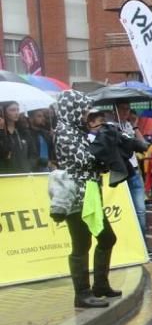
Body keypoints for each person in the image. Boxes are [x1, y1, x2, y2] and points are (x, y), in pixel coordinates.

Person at [50, 92, 118, 308]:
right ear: (71, 109)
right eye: (81, 110)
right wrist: (105, 148)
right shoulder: (64, 132)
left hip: (89, 194)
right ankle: (81, 294)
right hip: (74, 196)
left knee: (107, 238)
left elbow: (96, 160)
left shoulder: (79, 131)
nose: (84, 115)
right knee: (81, 244)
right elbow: (86, 159)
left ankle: (100, 285)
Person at [111, 100, 150, 239]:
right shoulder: (111, 127)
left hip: (135, 172)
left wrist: (134, 126)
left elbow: (144, 145)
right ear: (115, 110)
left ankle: (143, 244)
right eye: (123, 109)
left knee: (140, 210)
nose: (126, 112)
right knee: (124, 210)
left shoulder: (128, 125)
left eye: (128, 109)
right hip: (121, 173)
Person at [0, 102, 35, 174]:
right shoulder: (2, 132)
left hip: (24, 173)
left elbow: (33, 153)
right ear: (3, 112)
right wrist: (1, 130)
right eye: (12, 110)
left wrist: (28, 166)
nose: (16, 113)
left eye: (18, 110)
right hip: (6, 175)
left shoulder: (24, 131)